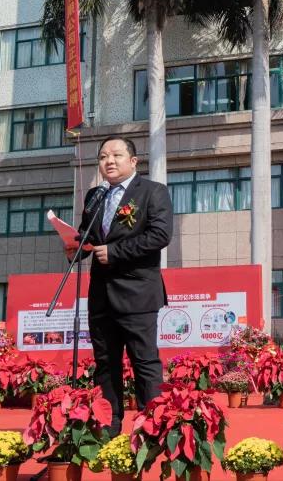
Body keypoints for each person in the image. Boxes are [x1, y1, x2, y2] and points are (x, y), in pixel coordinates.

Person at [65, 137, 173, 437]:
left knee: (144, 362)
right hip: (100, 295)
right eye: (103, 157)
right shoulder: (95, 195)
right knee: (105, 364)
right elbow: (89, 236)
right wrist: (76, 249)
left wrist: (115, 252)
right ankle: (107, 427)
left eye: (116, 155)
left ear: (133, 161)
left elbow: (160, 236)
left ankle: (152, 429)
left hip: (137, 293)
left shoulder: (153, 192)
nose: (109, 161)